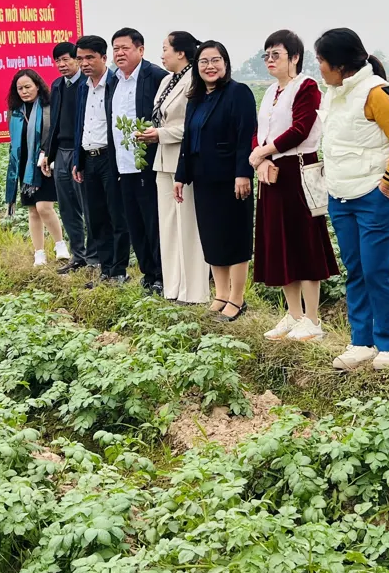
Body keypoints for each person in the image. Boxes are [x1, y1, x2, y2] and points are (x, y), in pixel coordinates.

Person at [315, 28, 389, 371]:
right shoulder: (333, 93)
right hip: (341, 196)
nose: (319, 67)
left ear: (340, 64)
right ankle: (361, 341)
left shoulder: (376, 93)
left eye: (321, 60)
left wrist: (388, 183)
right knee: (355, 270)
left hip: (374, 197)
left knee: (376, 270)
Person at [249, 30, 340, 343]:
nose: (270, 61)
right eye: (267, 55)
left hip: (298, 170)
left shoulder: (307, 87)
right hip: (272, 173)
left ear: (295, 57)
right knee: (280, 244)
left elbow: (300, 129)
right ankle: (294, 314)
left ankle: (313, 319)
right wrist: (260, 158)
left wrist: (263, 151)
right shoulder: (271, 91)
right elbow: (259, 131)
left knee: (304, 243)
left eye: (277, 54)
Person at [174, 41, 258, 319]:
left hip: (231, 180)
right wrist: (180, 175)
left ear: (225, 63)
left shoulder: (238, 93)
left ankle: (237, 298)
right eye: (204, 62)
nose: (210, 67)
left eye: (215, 60)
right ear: (196, 67)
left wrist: (243, 173)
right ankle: (220, 294)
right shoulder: (196, 98)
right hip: (203, 179)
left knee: (234, 238)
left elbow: (246, 136)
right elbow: (188, 139)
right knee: (212, 239)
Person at [138, 31, 211, 303]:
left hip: (186, 159)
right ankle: (173, 287)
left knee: (188, 226)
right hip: (163, 159)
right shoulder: (168, 80)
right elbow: (162, 117)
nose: (162, 54)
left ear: (181, 52)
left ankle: (193, 291)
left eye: (165, 48)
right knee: (168, 225)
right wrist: (153, 132)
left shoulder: (197, 78)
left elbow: (195, 123)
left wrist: (162, 134)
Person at [108, 28, 169, 293]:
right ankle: (147, 272)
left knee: (153, 221)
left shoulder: (155, 76)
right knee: (134, 222)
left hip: (149, 162)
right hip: (123, 164)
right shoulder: (114, 80)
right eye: (116, 49)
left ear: (140, 50)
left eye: (125, 48)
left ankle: (161, 274)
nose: (119, 53)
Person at [72, 35, 130, 284]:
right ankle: (105, 269)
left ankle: (119, 271)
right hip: (89, 157)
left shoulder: (116, 84)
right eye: (80, 58)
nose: (84, 63)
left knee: (116, 216)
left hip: (111, 157)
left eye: (89, 58)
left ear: (103, 58)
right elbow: (80, 125)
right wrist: (79, 159)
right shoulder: (83, 87)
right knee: (96, 218)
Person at [4, 69, 69, 267]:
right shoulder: (15, 112)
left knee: (44, 207)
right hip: (24, 165)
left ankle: (60, 244)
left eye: (27, 87)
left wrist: (45, 155)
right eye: (20, 88)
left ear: (38, 86)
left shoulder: (49, 107)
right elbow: (15, 142)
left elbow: (53, 135)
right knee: (33, 210)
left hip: (44, 163)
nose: (24, 91)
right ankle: (39, 253)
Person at [40, 41, 91, 272]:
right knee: (68, 208)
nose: (61, 65)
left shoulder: (87, 84)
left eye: (66, 60)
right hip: (61, 152)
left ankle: (95, 256)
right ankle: (78, 255)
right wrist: (48, 155)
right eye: (57, 61)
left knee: (87, 205)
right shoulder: (58, 85)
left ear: (77, 60)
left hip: (82, 152)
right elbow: (55, 124)